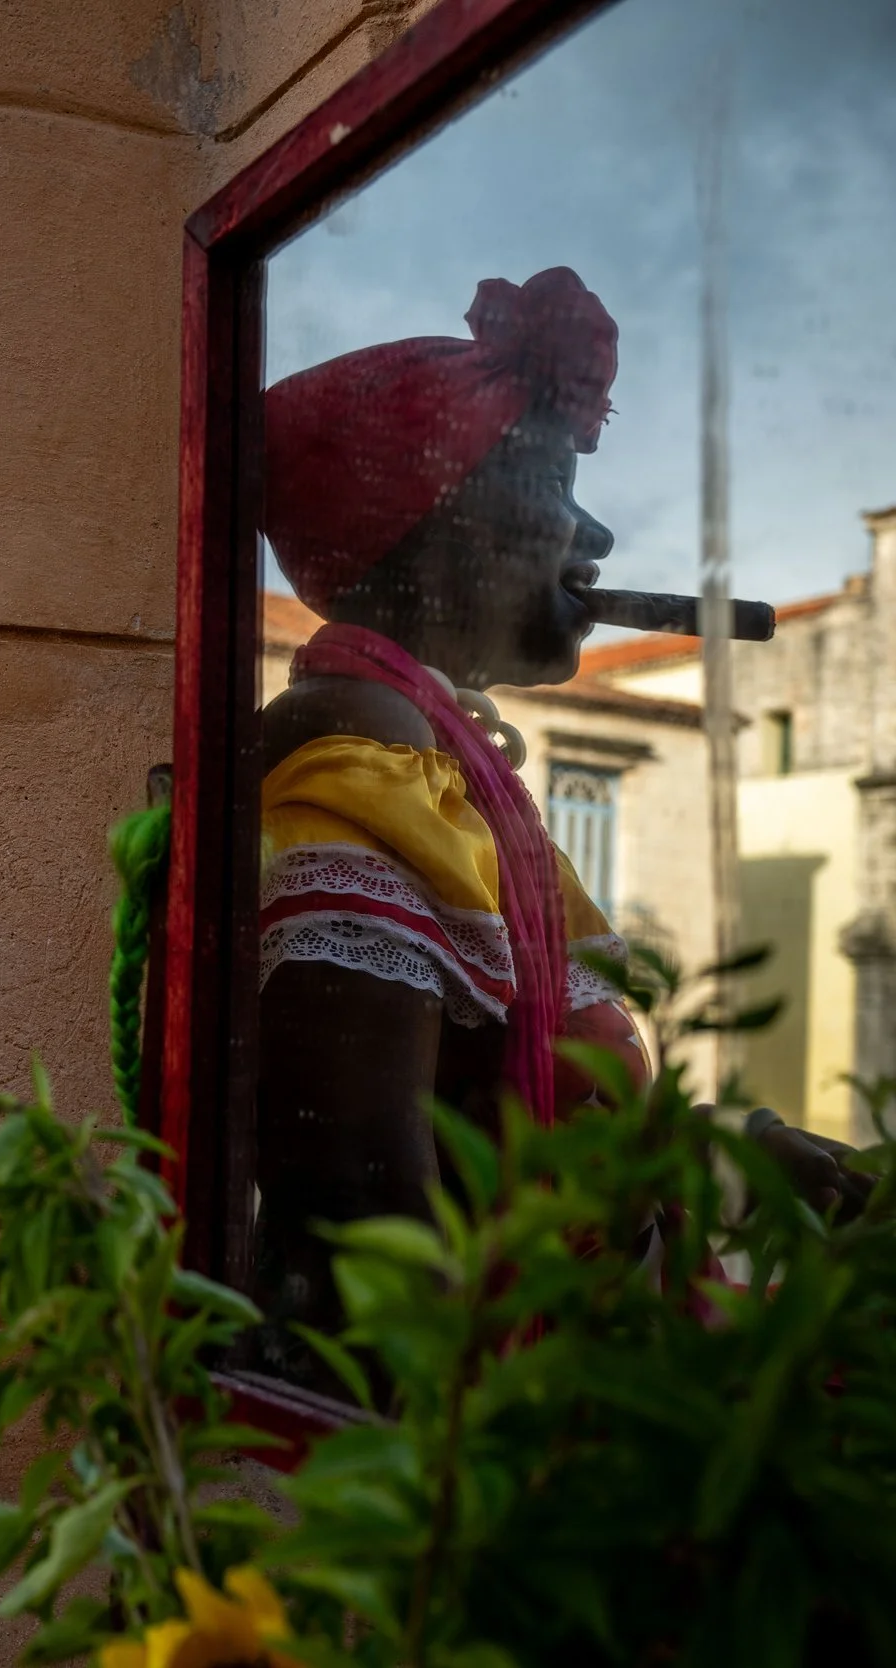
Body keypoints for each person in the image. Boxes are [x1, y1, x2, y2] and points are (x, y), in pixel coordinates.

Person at [250, 267, 862, 1348]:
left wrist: (729, 1146)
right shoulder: (366, 792)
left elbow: (515, 1121)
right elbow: (373, 1259)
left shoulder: (443, 776)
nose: (597, 540)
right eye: (550, 488)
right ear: (441, 530)